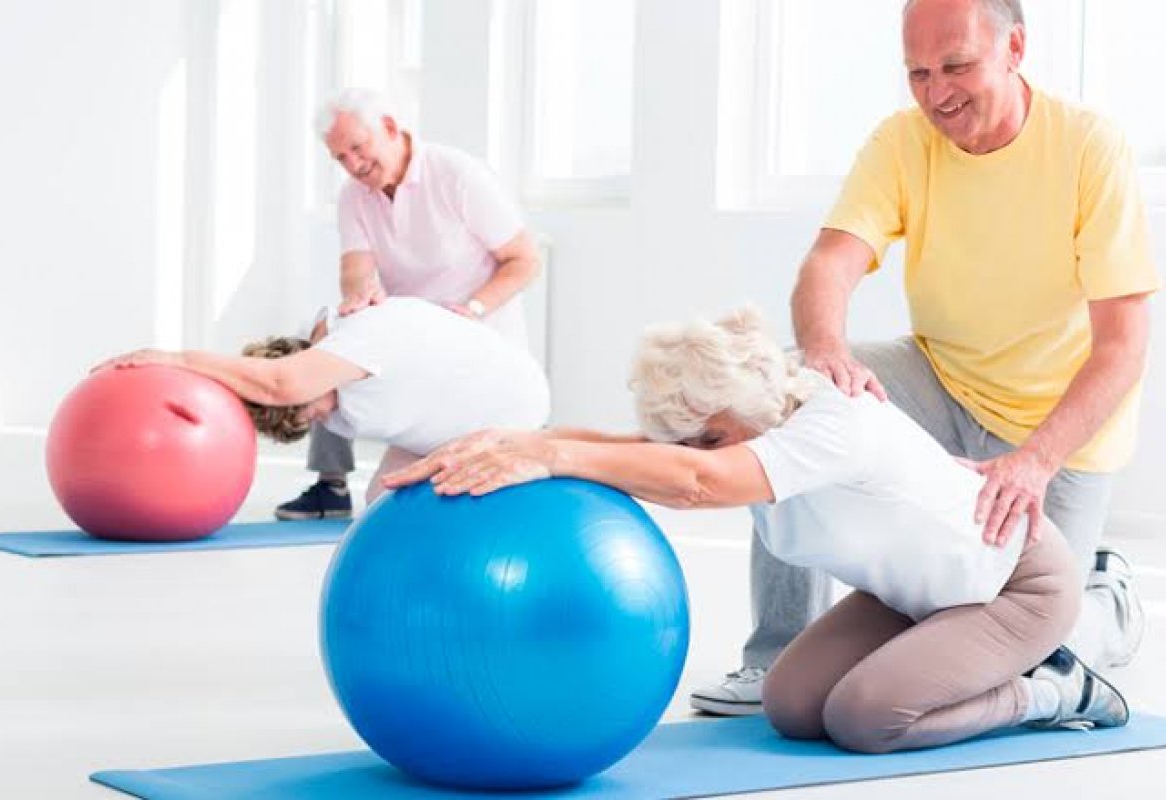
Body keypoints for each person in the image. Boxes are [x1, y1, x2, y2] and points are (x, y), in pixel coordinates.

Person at [692, 0, 1159, 715]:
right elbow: (830, 263)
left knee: (1030, 631)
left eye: (958, 66)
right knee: (784, 391)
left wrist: (1034, 461)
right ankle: (774, 655)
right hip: (944, 379)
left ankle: (1110, 603)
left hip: (1054, 426)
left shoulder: (1089, 147)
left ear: (1016, 48)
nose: (938, 92)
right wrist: (824, 353)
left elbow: (1124, 348)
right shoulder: (903, 142)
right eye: (918, 73)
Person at [383, 307, 1128, 754]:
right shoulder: (747, 427)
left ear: (735, 412)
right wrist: (511, 440)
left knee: (866, 719)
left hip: (1016, 586)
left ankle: (1053, 691)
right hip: (920, 597)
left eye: (704, 438)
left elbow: (698, 481)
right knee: (792, 706)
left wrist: (550, 456)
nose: (692, 453)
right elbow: (658, 456)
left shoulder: (832, 423)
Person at [276, 88, 542, 520]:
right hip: (414, 344)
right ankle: (331, 483)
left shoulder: (456, 174)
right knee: (324, 337)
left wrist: (472, 309)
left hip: (477, 341)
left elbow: (525, 259)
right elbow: (356, 268)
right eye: (340, 158)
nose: (353, 165)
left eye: (358, 149)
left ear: (389, 127)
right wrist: (359, 297)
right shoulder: (353, 197)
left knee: (434, 489)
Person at [96, 298, 550, 503]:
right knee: (379, 505)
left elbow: (279, 383)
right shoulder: (337, 399)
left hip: (508, 405)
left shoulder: (362, 336)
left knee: (413, 509)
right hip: (443, 424)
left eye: (310, 407)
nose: (320, 416)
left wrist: (176, 359)